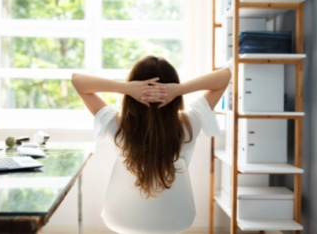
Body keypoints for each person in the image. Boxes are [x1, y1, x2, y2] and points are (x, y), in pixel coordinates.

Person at [71, 55, 231, 198]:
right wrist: (180, 90)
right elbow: (225, 76)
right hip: (175, 219)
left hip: (125, 218)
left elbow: (77, 81)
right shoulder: (189, 124)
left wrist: (126, 88)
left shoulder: (118, 126)